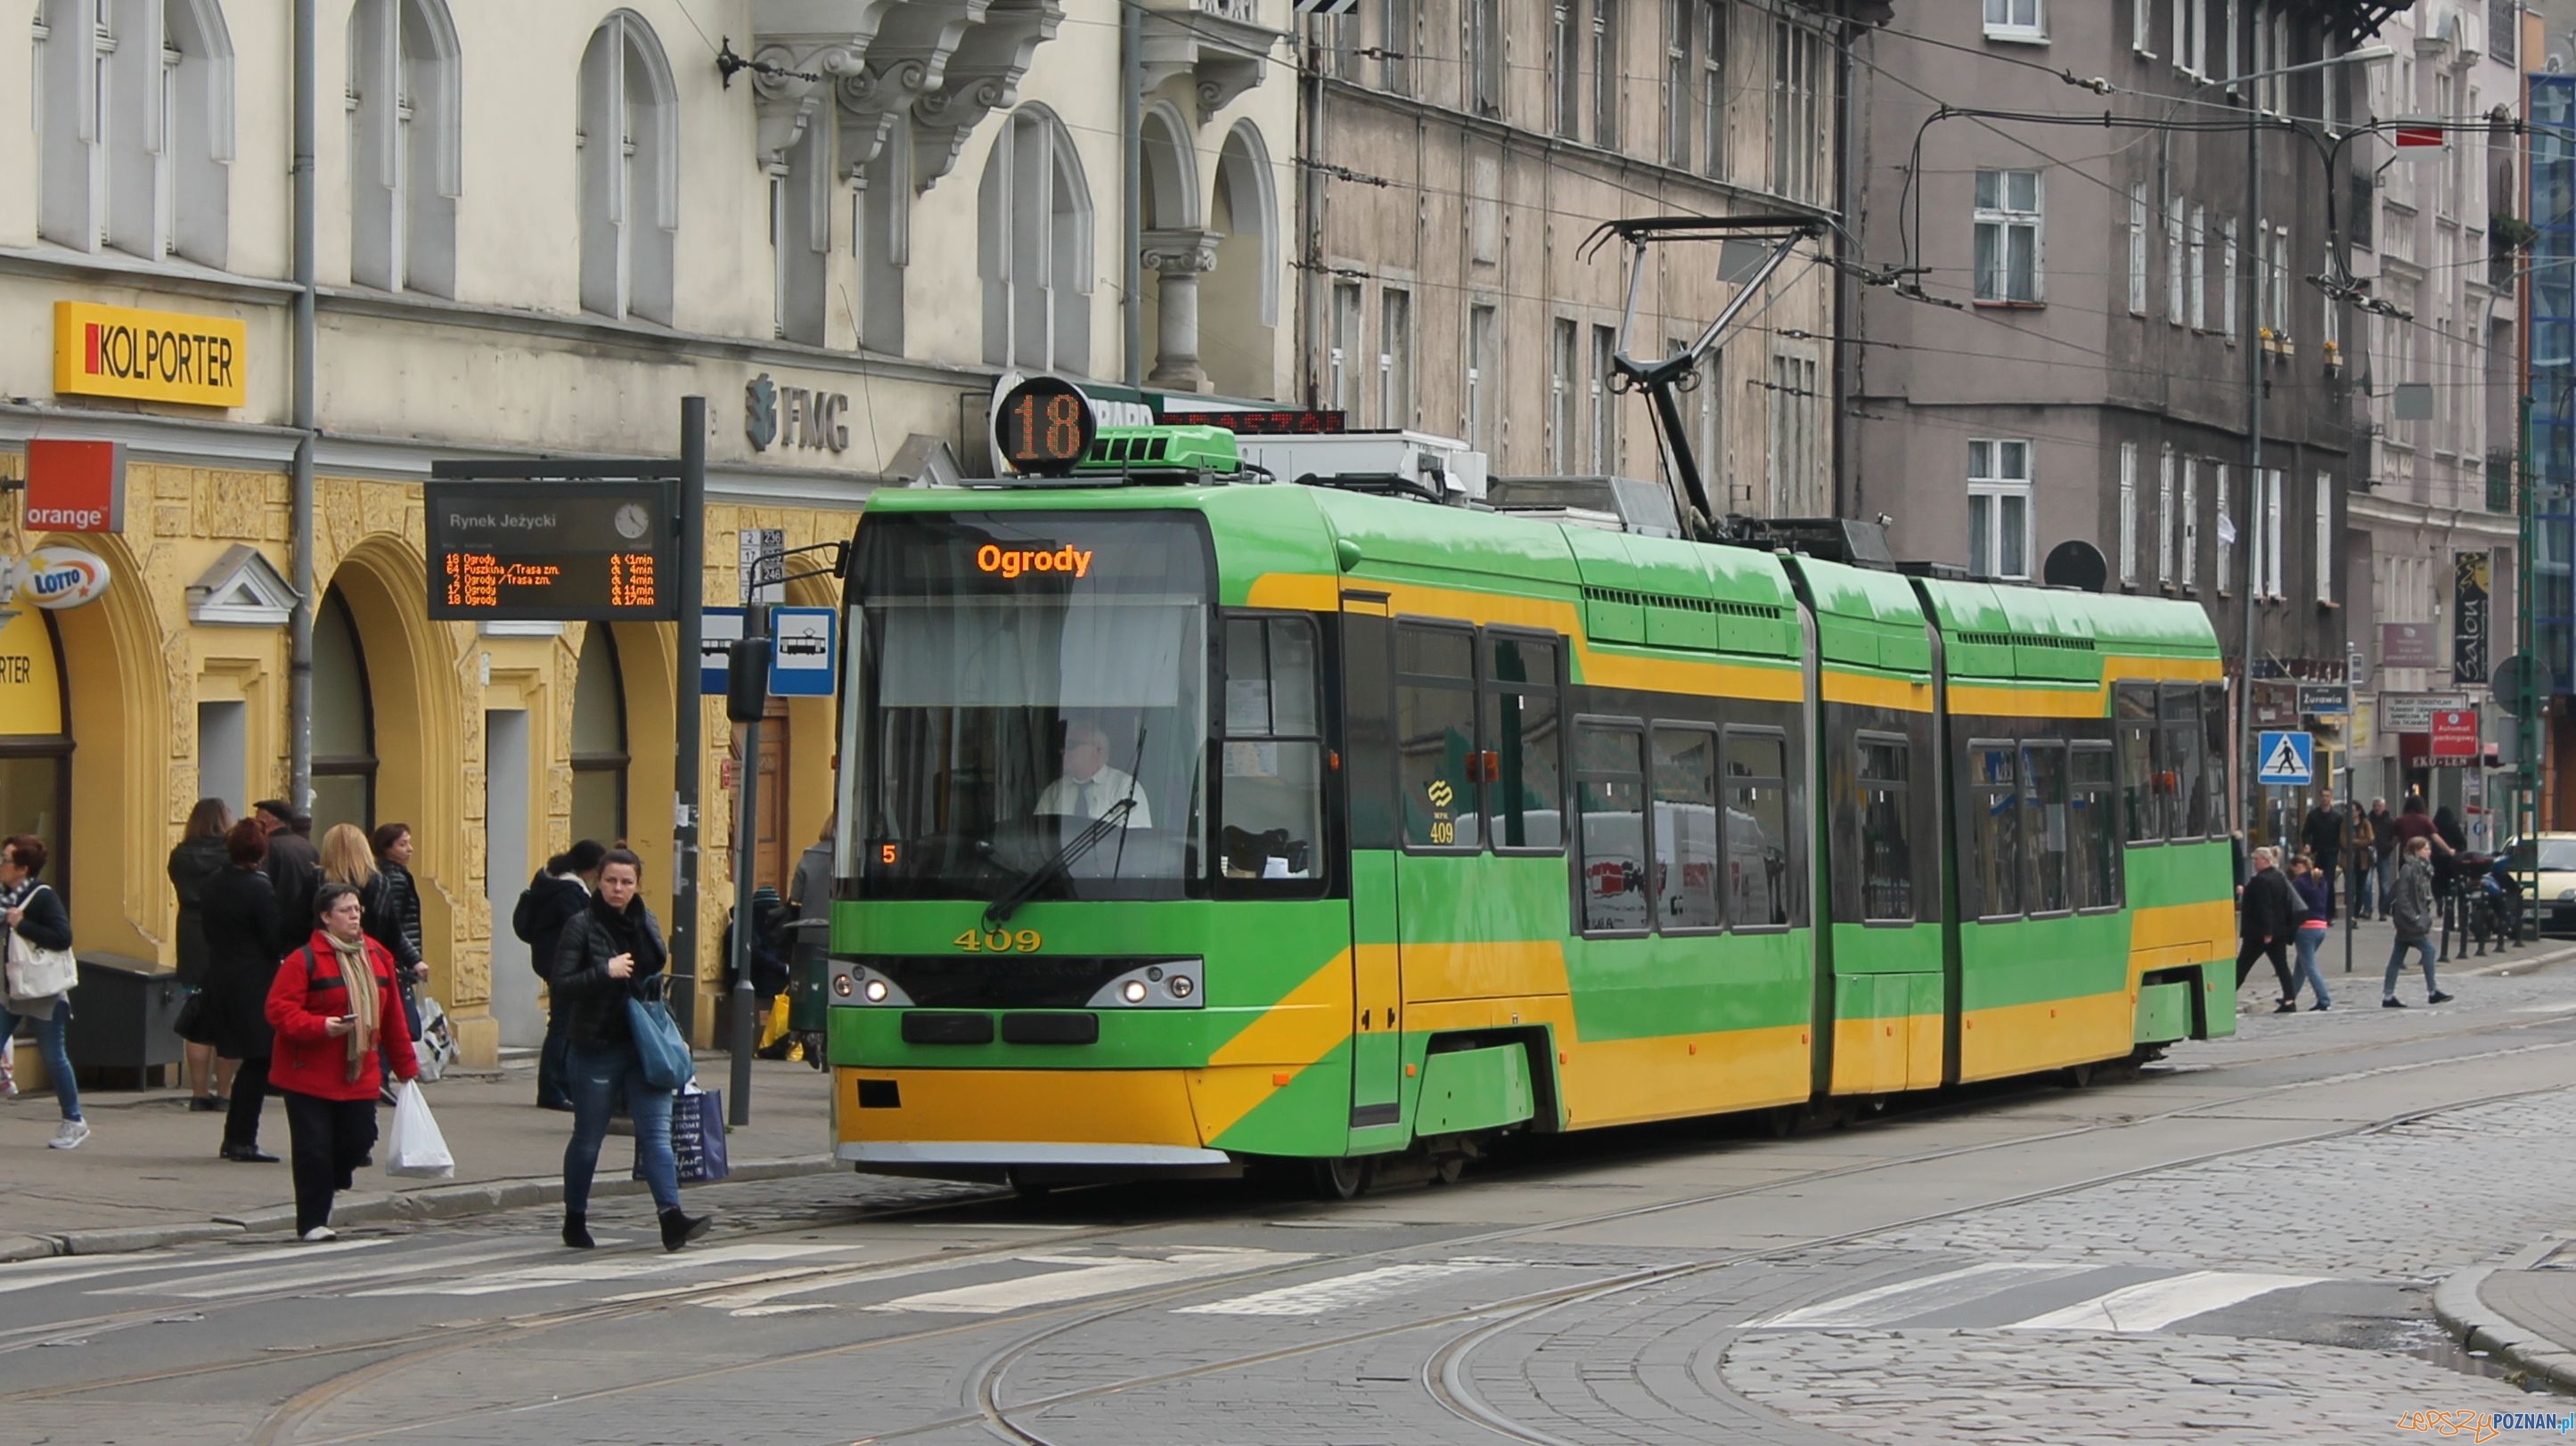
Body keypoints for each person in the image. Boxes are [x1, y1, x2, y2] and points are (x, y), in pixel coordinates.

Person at [552, 847, 709, 1253]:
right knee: (588, 1137)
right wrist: (603, 972)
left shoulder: (647, 921)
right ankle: (575, 1217)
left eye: (626, 882)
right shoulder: (580, 925)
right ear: (597, 882)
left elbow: (655, 978)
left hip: (646, 1047)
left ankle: (671, 1217)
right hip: (597, 1045)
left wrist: (673, 1030)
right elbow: (562, 983)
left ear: (637, 884)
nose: (618, 889)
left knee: (656, 1135)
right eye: (610, 881)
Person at [266, 882, 419, 1241]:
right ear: (325, 917)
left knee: (359, 1141)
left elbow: (392, 1015)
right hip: (307, 1074)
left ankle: (330, 1182)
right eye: (346, 910)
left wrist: (407, 1068)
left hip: (359, 1072)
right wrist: (320, 1026)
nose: (355, 916)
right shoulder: (303, 959)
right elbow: (278, 1010)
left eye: (357, 909)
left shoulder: (378, 955)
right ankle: (313, 1222)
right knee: (313, 1149)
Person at [200, 818, 282, 1162]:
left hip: (221, 975)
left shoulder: (215, 881)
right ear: (261, 853)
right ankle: (241, 1139)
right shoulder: (259, 887)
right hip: (253, 981)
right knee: (258, 1059)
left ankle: (234, 1137)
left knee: (244, 1056)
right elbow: (272, 937)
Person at [0, 836, 84, 1149]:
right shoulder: (7, 896)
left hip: (42, 992)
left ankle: (74, 1121)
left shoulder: (42, 897)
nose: (1, 865)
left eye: (5, 860)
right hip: (12, 990)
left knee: (53, 1057)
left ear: (22, 868)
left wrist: (23, 924)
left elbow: (62, 937)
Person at [515, 840, 605, 1111]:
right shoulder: (568, 891)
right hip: (565, 965)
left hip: (551, 961)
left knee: (563, 1024)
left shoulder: (549, 881)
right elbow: (580, 929)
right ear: (589, 869)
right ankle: (553, 1089)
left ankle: (560, 1086)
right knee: (563, 1026)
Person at [168, 797, 236, 1112]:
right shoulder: (231, 854)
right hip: (224, 934)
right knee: (227, 1018)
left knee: (197, 1014)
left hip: (191, 934)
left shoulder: (180, 856)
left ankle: (198, 1093)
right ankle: (224, 1092)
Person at [369, 823, 429, 1044]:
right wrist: (414, 958)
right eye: (403, 844)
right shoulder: (394, 879)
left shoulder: (395, 874)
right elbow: (394, 925)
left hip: (398, 957)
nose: (410, 849)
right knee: (397, 1021)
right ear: (386, 848)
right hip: (398, 960)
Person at [782, 816, 835, 1064]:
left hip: (809, 932)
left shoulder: (809, 856)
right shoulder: (852, 857)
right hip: (842, 931)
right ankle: (828, 1042)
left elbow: (795, 898)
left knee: (813, 985)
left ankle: (810, 1033)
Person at [1034, 720, 1152, 827]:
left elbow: (1135, 844)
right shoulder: (1054, 792)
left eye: (1070, 744)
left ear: (1097, 750)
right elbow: (1037, 835)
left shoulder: (1125, 788)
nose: (1063, 751)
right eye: (1062, 745)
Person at [2384, 835, 2455, 1009]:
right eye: (2425, 849)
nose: (2429, 852)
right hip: (2410, 921)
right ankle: (2432, 992)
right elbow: (2403, 897)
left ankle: (2388, 996)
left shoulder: (2424, 869)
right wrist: (2414, 917)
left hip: (2412, 920)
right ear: (2416, 851)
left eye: (2429, 848)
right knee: (2429, 951)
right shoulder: (2409, 869)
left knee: (2397, 957)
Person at [2236, 846, 2298, 1008]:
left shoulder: (2260, 881)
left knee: (2242, 965)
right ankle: (2290, 999)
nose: (2254, 862)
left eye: (2256, 859)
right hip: (2279, 930)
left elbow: (2265, 907)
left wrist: (2267, 931)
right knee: (2281, 966)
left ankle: (2225, 996)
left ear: (2265, 860)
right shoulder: (2279, 877)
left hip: (2259, 933)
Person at [255, 801, 322, 944]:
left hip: (278, 928)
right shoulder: (308, 847)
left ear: (268, 820)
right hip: (304, 928)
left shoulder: (268, 847)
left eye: (258, 818)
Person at [2287, 854, 2334, 1012]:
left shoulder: (2299, 883)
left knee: (2309, 965)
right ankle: (2290, 996)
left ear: (2298, 866)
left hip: (2306, 927)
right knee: (2301, 965)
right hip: (2321, 926)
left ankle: (2323, 998)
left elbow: (2292, 905)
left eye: (2294, 868)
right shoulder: (2320, 880)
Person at [2301, 789, 2344, 919]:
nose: (2325, 798)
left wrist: (2341, 849)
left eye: (2327, 796)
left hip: (2331, 852)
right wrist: (2307, 844)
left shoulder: (2337, 817)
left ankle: (2329, 913)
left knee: (2329, 881)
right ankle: (2317, 911)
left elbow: (2341, 836)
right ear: (2320, 798)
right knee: (2316, 880)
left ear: (2331, 798)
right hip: (2317, 852)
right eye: (2323, 796)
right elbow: (2306, 832)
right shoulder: (2313, 815)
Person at [2343, 801, 2376, 921]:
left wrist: (2355, 842)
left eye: (2352, 810)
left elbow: (2370, 839)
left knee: (2361, 887)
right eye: (2348, 811)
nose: (2350, 813)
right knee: (2350, 887)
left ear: (2358, 811)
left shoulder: (2365, 823)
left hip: (2364, 859)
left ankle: (2357, 911)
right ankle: (2351, 913)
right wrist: (2359, 842)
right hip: (2348, 859)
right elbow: (2344, 841)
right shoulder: (2345, 824)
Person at [2367, 797, 2397, 918]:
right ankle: (2367, 909)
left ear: (2384, 807)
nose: (2377, 808)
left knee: (2384, 884)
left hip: (2384, 855)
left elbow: (2395, 837)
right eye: (2375, 805)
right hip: (2369, 855)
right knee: (2367, 884)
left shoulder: (2390, 821)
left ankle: (2383, 910)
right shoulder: (2368, 820)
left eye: (2379, 805)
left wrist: (2389, 847)